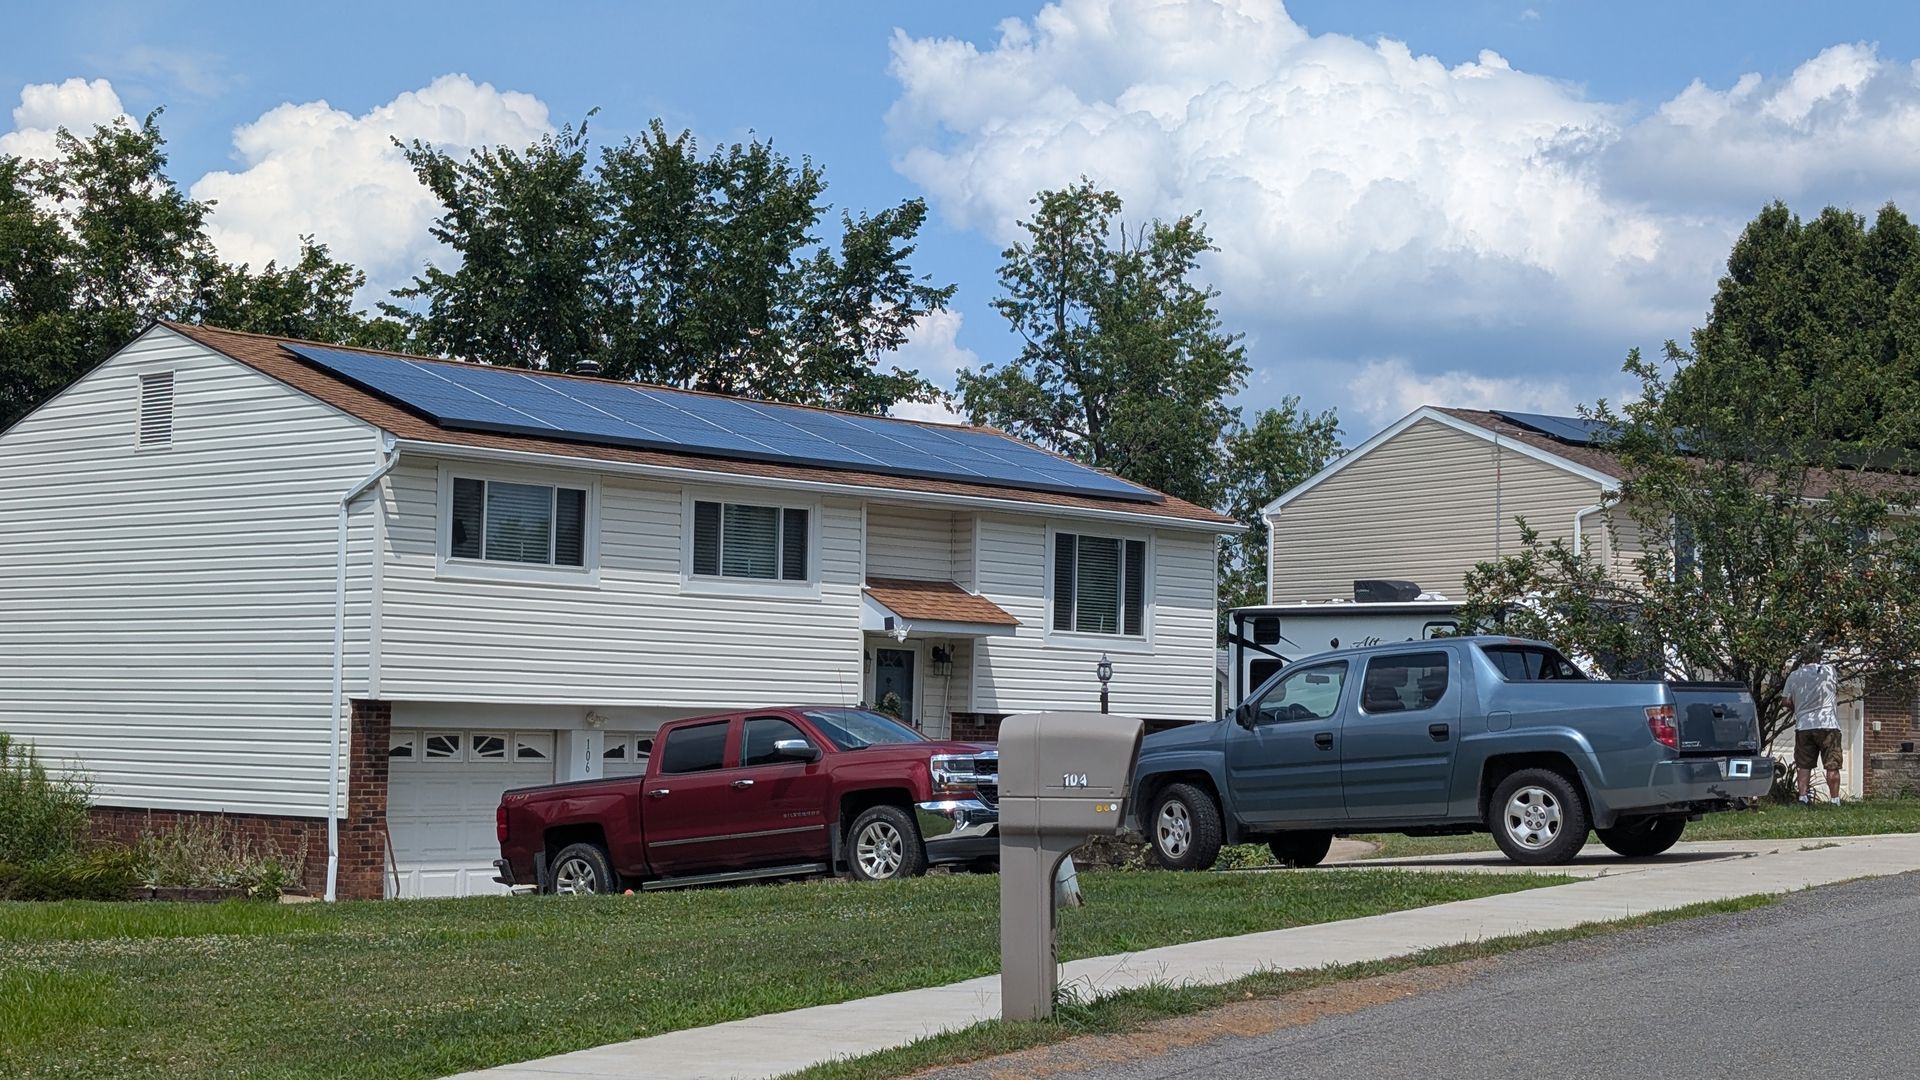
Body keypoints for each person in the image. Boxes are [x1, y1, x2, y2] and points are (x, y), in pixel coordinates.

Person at [1783, 659, 1843, 806]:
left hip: (1804, 726)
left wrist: (1798, 708)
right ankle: (1834, 800)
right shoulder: (1830, 671)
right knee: (1832, 764)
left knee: (1803, 765)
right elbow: (1836, 689)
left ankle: (1803, 797)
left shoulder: (1794, 676)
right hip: (1828, 725)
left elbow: (1785, 701)